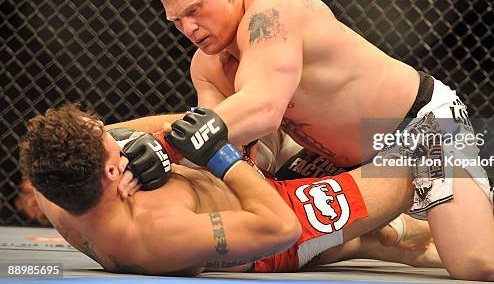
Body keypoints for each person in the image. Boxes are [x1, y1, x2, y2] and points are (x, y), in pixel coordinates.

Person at [129, 0, 494, 280]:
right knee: (268, 215)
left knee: (479, 264)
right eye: (176, 20)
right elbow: (220, 141)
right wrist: (167, 159)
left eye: (195, 10)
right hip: (338, 156)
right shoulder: (207, 63)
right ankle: (399, 231)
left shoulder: (273, 12)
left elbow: (263, 105)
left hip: (420, 130)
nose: (189, 28)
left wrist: (166, 145)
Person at [20, 104, 443, 275]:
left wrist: (159, 142)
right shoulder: (153, 232)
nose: (117, 134)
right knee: (430, 148)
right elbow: (280, 227)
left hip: (242, 178)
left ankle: (390, 235)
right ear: (111, 173)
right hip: (275, 216)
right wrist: (219, 155)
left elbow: (118, 136)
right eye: (114, 145)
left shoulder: (53, 184)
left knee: (263, 99)